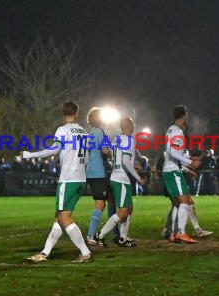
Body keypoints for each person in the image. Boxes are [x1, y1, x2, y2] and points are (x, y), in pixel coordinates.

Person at [23, 101, 93, 263]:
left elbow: (54, 149)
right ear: (76, 113)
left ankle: (85, 252)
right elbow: (87, 157)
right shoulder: (84, 132)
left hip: (68, 178)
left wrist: (30, 155)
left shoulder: (62, 130)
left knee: (64, 217)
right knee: (59, 216)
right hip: (80, 178)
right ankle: (45, 252)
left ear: (63, 112)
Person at [93, 117, 145, 247]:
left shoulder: (116, 139)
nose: (133, 128)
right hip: (121, 179)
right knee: (123, 211)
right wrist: (138, 177)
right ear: (129, 126)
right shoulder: (129, 140)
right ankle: (99, 235)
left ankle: (123, 238)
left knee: (129, 208)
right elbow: (126, 161)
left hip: (116, 177)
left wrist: (134, 166)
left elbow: (116, 157)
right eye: (132, 125)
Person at [161, 105, 202, 244]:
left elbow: (174, 153)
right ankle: (181, 233)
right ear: (184, 116)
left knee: (178, 204)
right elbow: (173, 152)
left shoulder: (171, 129)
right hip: (173, 172)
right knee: (185, 202)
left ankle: (173, 233)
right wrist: (190, 162)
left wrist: (188, 164)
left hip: (170, 170)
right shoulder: (177, 131)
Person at [84, 107, 114, 246]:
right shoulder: (99, 132)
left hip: (91, 171)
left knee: (106, 201)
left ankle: (108, 233)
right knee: (100, 203)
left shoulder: (91, 133)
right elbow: (105, 151)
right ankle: (91, 235)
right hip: (98, 172)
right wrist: (112, 151)